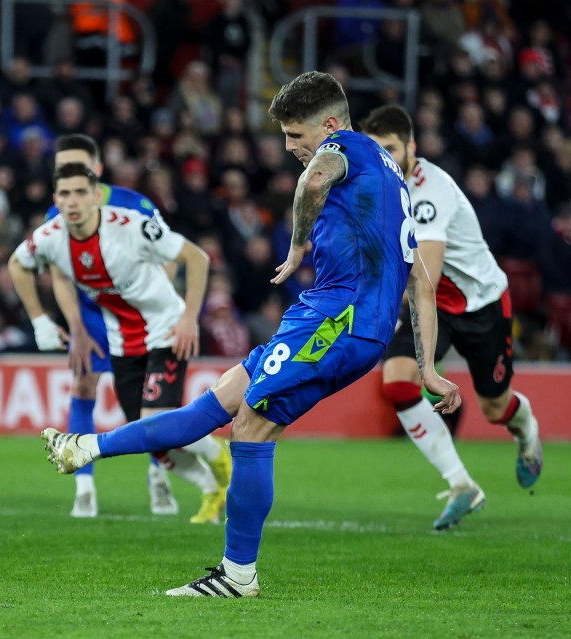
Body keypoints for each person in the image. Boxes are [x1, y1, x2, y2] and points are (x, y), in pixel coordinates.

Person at [41, 71, 461, 597]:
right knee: (217, 404)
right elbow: (422, 281)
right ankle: (87, 447)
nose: (289, 148)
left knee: (251, 427)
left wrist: (297, 246)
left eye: (295, 135)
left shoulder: (343, 150)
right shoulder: (389, 174)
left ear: (329, 125)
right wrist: (427, 368)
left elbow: (313, 181)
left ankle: (238, 575)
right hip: (335, 321)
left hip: (337, 323)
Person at [10, 160, 231, 524]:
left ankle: (217, 453)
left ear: (96, 196)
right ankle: (211, 487)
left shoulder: (131, 228)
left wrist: (189, 318)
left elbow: (196, 257)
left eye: (81, 192)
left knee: (154, 420)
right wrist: (39, 320)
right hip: (122, 342)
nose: (73, 201)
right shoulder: (50, 237)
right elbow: (16, 264)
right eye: (65, 194)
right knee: (150, 439)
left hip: (166, 330)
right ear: (56, 199)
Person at [360, 105, 543, 529]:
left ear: (412, 147)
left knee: (496, 408)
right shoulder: (378, 188)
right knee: (396, 379)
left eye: (391, 148)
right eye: (377, 151)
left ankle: (527, 426)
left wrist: (427, 365)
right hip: (433, 301)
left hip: (479, 302)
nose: (385, 158)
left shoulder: (429, 190)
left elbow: (427, 277)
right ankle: (461, 484)